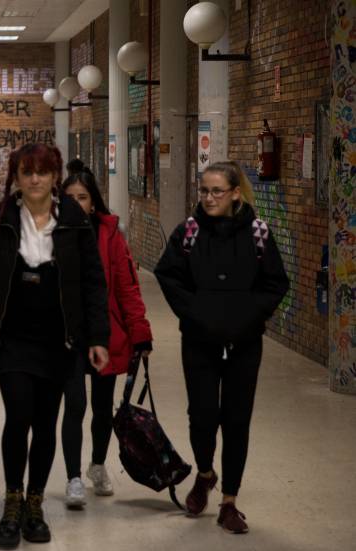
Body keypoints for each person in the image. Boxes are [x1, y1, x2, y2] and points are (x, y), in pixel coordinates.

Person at [0, 144, 109, 548]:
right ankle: (12, 503)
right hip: (13, 339)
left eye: (43, 172)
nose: (35, 179)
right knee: (18, 417)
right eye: (27, 172)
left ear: (55, 176)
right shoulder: (0, 218)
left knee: (45, 424)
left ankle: (35, 504)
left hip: (59, 340)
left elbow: (93, 282)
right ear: (16, 177)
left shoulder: (74, 220)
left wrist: (97, 338)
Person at [154, 161, 288, 534]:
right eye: (204, 190)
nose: (208, 197)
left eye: (216, 191)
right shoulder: (189, 232)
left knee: (236, 420)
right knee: (201, 416)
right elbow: (168, 274)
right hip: (199, 341)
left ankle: (229, 500)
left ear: (235, 194)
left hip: (245, 344)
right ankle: (205, 473)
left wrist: (249, 315)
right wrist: (195, 312)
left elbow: (276, 283)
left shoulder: (258, 234)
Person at [59, 162, 153, 508]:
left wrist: (140, 333)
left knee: (101, 408)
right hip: (68, 336)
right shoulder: (51, 233)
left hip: (106, 333)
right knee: (75, 405)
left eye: (82, 197)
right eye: (69, 197)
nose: (76, 203)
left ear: (93, 202)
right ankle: (72, 478)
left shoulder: (109, 235)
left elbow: (128, 287)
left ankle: (97, 465)